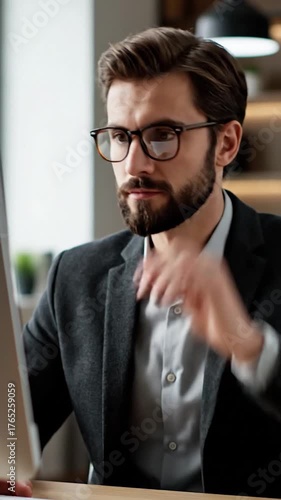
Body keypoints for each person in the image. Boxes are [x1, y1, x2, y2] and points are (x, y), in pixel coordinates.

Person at [2, 26, 281, 497]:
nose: (134, 164)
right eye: (119, 136)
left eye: (162, 136)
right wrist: (7, 464)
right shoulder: (76, 275)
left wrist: (249, 346)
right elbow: (15, 419)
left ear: (227, 144)